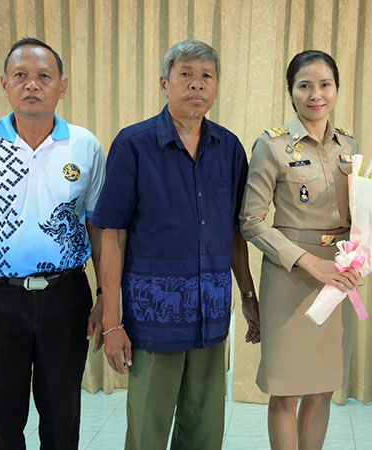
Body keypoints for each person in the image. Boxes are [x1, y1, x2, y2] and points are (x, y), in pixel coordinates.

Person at [0, 37, 106, 449]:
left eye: (44, 76)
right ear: (4, 84)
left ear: (62, 86)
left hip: (66, 298)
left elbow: (101, 230)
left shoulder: (84, 146)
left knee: (62, 416)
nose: (32, 84)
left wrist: (106, 297)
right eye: (21, 76)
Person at [91, 39, 257, 450]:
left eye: (206, 77)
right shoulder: (133, 145)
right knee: (148, 430)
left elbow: (236, 231)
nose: (196, 85)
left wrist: (249, 295)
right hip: (153, 321)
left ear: (217, 87)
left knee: (204, 433)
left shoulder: (230, 148)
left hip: (211, 316)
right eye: (186, 74)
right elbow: (111, 234)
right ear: (165, 83)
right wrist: (113, 321)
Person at [239, 50, 361, 450]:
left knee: (323, 386)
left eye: (325, 85)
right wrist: (309, 262)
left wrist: (366, 250)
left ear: (337, 89)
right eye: (304, 85)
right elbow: (251, 221)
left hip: (339, 274)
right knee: (287, 389)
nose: (315, 95)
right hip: (290, 275)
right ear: (291, 92)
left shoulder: (349, 145)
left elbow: (363, 211)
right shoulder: (271, 146)